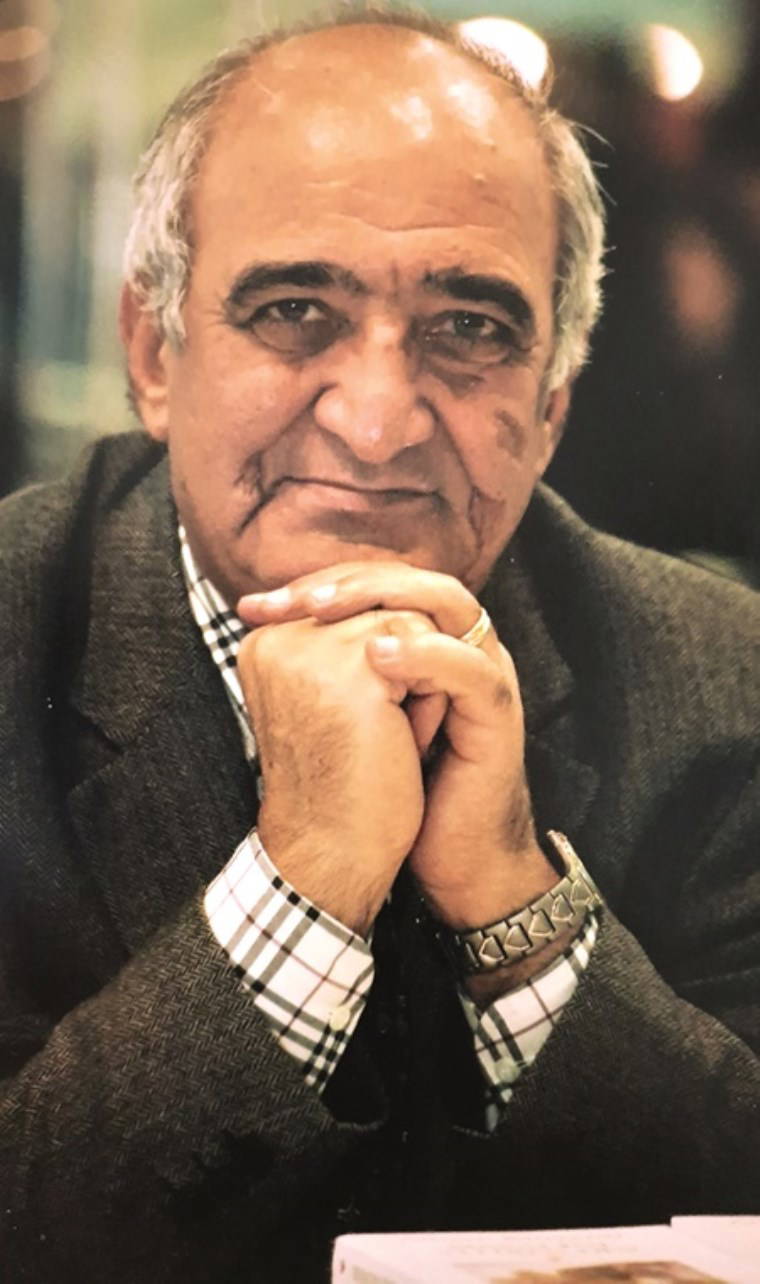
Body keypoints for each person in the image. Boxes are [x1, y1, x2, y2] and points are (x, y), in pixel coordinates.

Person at [1, 9, 758, 1283]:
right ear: (152, 354)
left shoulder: (727, 686)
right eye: (295, 309)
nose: (374, 423)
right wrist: (301, 885)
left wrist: (517, 912)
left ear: (550, 407)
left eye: (470, 330)